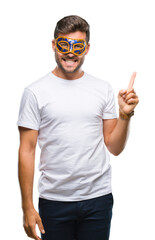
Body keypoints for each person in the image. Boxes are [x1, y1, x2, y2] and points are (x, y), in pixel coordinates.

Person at [17, 15, 139, 240]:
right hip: (54, 201)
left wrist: (124, 115)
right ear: (54, 45)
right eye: (64, 45)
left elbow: (114, 147)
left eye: (78, 46)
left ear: (87, 49)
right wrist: (27, 206)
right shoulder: (35, 92)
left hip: (98, 199)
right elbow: (27, 150)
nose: (70, 53)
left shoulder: (102, 89)